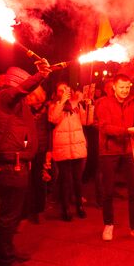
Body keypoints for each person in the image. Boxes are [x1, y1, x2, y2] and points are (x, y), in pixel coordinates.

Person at [0, 61, 51, 266]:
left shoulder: (16, 104)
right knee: (9, 216)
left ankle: (6, 254)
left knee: (11, 216)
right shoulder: (4, 97)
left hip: (19, 165)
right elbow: (21, 90)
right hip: (11, 167)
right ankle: (6, 265)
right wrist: (40, 75)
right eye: (27, 85)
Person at [95, 74, 134, 241]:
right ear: (114, 87)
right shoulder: (103, 103)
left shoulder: (132, 104)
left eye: (127, 87)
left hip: (127, 149)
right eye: (121, 87)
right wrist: (128, 131)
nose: (124, 90)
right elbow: (104, 127)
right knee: (108, 190)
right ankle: (108, 224)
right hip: (108, 151)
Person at [49, 82, 89, 221]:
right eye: (61, 90)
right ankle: (65, 208)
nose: (64, 92)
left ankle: (79, 206)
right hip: (63, 147)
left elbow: (87, 121)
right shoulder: (54, 106)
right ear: (56, 93)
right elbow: (53, 119)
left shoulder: (76, 106)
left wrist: (88, 105)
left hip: (77, 147)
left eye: (66, 89)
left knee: (78, 179)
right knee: (65, 180)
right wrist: (63, 102)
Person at [25, 85, 51, 224]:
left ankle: (39, 210)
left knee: (40, 181)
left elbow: (49, 132)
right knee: (28, 182)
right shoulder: (25, 110)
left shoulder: (47, 110)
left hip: (41, 150)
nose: (28, 97)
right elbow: (23, 133)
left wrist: (49, 150)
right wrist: (24, 147)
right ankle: (30, 210)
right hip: (29, 151)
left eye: (31, 95)